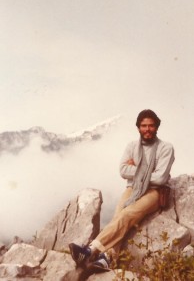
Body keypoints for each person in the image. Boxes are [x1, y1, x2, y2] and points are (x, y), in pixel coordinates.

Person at [69, 109, 175, 270]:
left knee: (127, 214)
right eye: (143, 126)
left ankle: (89, 250)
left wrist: (136, 169)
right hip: (133, 189)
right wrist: (147, 171)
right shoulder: (132, 146)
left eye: (151, 126)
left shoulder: (165, 148)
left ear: (157, 127)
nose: (147, 129)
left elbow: (160, 178)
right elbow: (122, 170)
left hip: (155, 191)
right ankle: (108, 259)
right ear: (138, 127)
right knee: (118, 216)